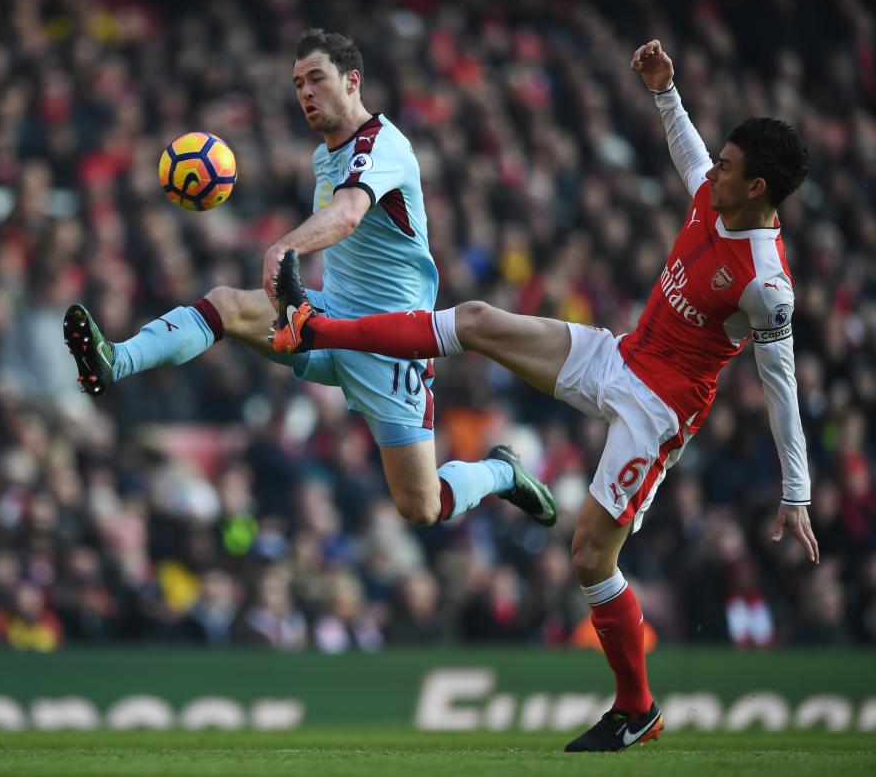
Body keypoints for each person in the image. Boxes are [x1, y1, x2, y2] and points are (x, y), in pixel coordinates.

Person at [270, 39, 820, 752]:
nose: (712, 168)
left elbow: (782, 384)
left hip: (660, 408)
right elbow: (686, 151)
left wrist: (797, 490)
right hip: (622, 354)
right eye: (718, 158)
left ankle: (637, 708)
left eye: (728, 166)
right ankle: (323, 330)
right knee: (475, 321)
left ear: (758, 191)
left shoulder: (767, 286)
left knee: (590, 557)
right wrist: (664, 91)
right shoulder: (712, 194)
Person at [63, 29, 556, 531]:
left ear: (352, 81)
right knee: (227, 305)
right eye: (298, 83)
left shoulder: (382, 144)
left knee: (421, 506)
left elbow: (347, 216)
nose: (305, 92)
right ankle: (115, 362)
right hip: (327, 322)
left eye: (317, 78)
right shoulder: (325, 156)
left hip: (392, 346)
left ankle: (501, 471)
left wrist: (284, 247)